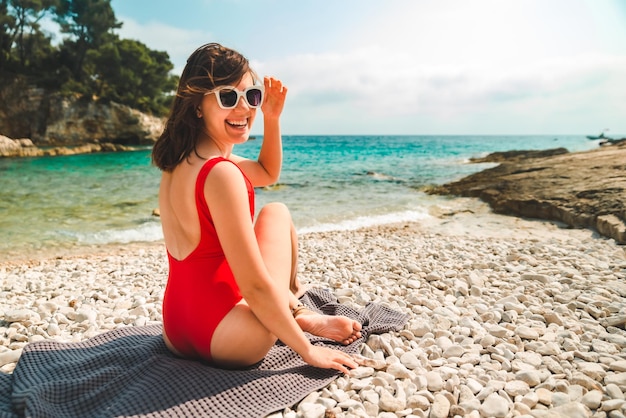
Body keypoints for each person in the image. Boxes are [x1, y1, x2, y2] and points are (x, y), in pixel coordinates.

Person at [152, 43, 361, 374]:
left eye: (251, 96)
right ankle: (301, 316)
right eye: (227, 97)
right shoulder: (221, 173)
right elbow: (255, 285)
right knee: (276, 214)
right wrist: (308, 352)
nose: (243, 108)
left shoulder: (179, 160)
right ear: (198, 106)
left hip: (175, 329)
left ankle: (295, 309)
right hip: (231, 339)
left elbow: (267, 173)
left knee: (272, 211)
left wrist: (272, 119)